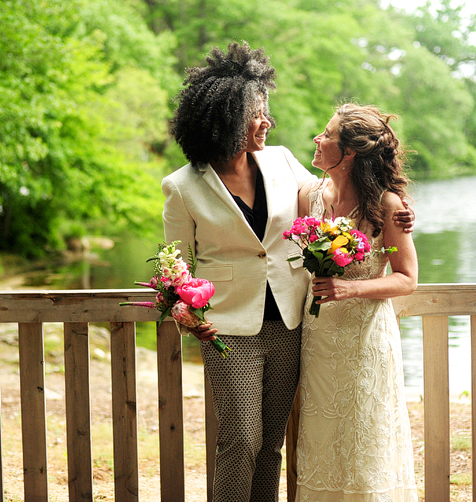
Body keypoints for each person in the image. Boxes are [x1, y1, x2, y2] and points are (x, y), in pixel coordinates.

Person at [162, 43, 414, 502]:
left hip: (292, 325)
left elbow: (333, 193)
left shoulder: (279, 160)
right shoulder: (182, 186)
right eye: (258, 113)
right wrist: (184, 310)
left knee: (271, 445)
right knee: (240, 439)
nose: (267, 122)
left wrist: (396, 204)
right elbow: (173, 261)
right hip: (227, 328)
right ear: (228, 118)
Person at [293, 102, 419, 501]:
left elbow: (407, 278)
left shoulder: (387, 207)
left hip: (367, 342)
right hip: (320, 340)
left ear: (348, 153)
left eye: (327, 135)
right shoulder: (308, 196)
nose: (317, 138)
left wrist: (351, 289)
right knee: (324, 437)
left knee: (367, 439)